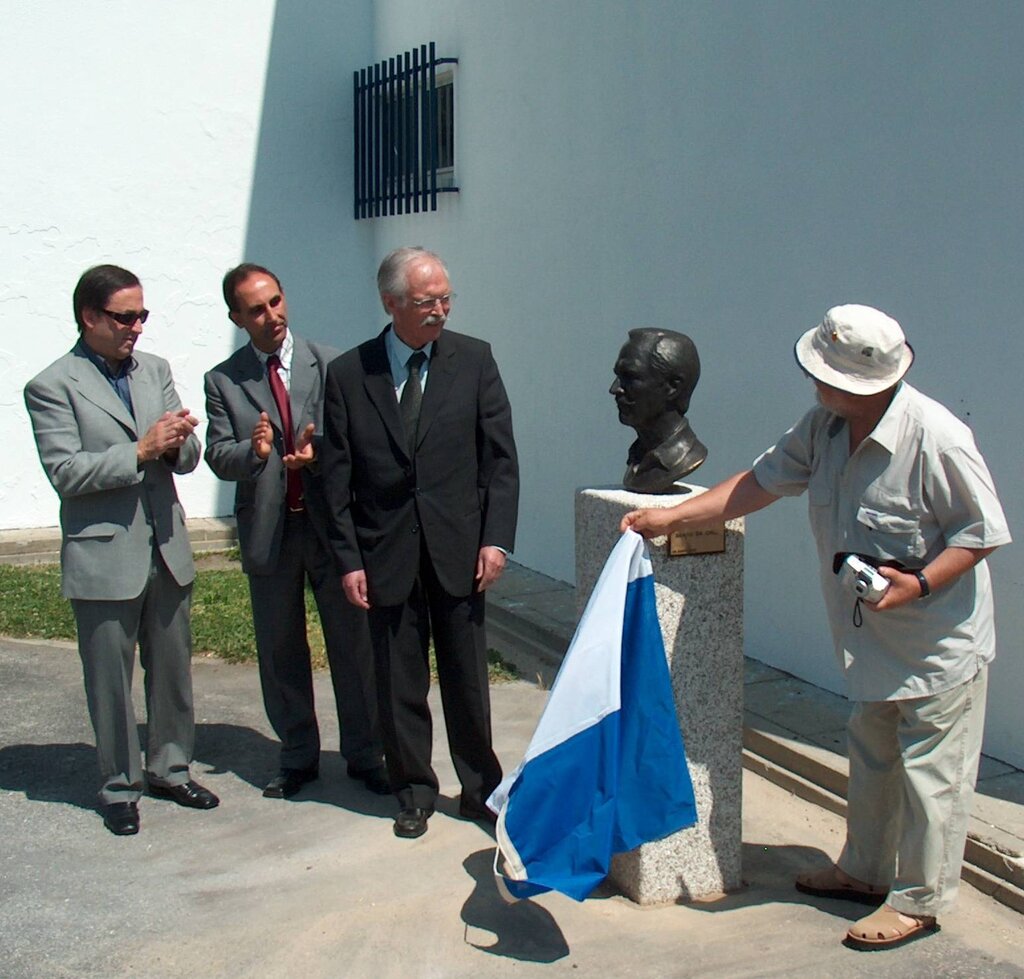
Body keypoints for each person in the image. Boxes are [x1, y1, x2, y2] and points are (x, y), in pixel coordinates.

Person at [621, 304, 1010, 951]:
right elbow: (760, 482)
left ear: (868, 383)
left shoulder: (935, 437)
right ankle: (861, 870)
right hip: (870, 645)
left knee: (931, 778)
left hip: (937, 645)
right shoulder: (825, 426)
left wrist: (915, 583)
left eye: (825, 376)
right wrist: (676, 517)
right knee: (873, 759)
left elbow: (982, 533)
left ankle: (918, 900)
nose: (814, 383)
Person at [321, 247, 519, 839]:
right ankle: (412, 789)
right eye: (426, 301)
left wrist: (496, 541)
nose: (439, 311)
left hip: (459, 547)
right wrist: (348, 559)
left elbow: (500, 462)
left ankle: (481, 789)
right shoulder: (350, 374)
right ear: (391, 303)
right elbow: (336, 477)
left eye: (445, 299)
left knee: (466, 678)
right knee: (397, 676)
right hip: (386, 551)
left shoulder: (474, 359)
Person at [24, 264, 218, 836]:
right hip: (104, 554)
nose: (137, 327)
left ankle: (170, 767)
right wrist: (140, 449)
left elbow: (186, 454)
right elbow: (65, 472)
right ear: (90, 317)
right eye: (125, 316)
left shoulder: (153, 370)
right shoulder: (52, 385)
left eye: (142, 315)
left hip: (165, 544)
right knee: (110, 679)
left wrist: (181, 443)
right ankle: (118, 786)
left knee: (173, 671)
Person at [204, 263, 386, 799]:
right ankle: (298, 755)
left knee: (352, 644)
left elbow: (359, 442)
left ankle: (364, 753)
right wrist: (253, 452)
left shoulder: (330, 363)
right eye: (256, 309)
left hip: (331, 528)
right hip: (271, 529)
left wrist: (317, 454)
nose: (272, 316)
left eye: (276, 301)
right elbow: (218, 455)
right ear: (237, 317)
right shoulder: (224, 379)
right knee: (280, 647)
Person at [610, 328, 707, 493]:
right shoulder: (637, 457)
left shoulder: (685, 456)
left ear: (672, 387)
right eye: (618, 376)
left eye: (630, 377)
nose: (615, 389)